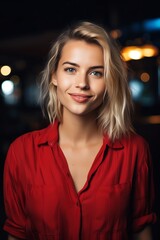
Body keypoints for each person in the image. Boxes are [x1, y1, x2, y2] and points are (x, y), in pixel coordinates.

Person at [3, 21, 156, 240]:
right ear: (54, 76)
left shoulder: (135, 150)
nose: (82, 83)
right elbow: (17, 233)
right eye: (71, 69)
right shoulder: (21, 152)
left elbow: (141, 229)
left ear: (109, 82)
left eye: (96, 73)